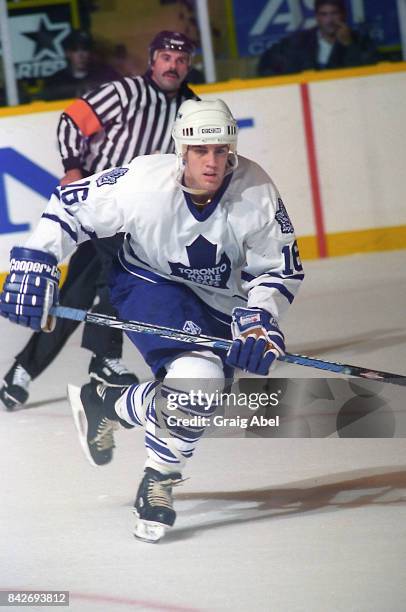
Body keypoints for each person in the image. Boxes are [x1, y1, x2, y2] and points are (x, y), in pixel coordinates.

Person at [0, 99, 304, 542]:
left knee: (198, 399)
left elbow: (278, 268)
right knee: (197, 380)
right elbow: (71, 205)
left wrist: (260, 317)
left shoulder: (255, 191)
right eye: (201, 151)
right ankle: (157, 480)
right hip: (147, 282)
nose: (212, 162)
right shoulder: (144, 180)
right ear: (182, 150)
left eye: (221, 151)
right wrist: (36, 257)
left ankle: (110, 402)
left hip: (221, 302)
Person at [0, 31, 198, 411]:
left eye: (181, 59)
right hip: (99, 204)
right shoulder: (124, 92)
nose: (173, 65)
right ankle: (104, 358)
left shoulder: (191, 107)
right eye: (166, 58)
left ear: (188, 65)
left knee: (81, 293)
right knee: (116, 281)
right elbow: (71, 121)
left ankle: (21, 373)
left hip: (138, 216)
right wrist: (73, 169)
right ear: (153, 59)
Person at [257, 0, 378, 77]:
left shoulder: (360, 41)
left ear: (343, 15)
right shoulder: (299, 41)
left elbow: (370, 74)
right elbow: (266, 66)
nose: (330, 20)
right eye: (324, 14)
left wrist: (349, 45)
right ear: (317, 17)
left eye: (334, 13)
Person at [41, 30, 120, 101]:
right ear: (68, 53)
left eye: (85, 49)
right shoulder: (56, 81)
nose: (80, 55)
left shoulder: (106, 74)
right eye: (75, 50)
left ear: (91, 52)